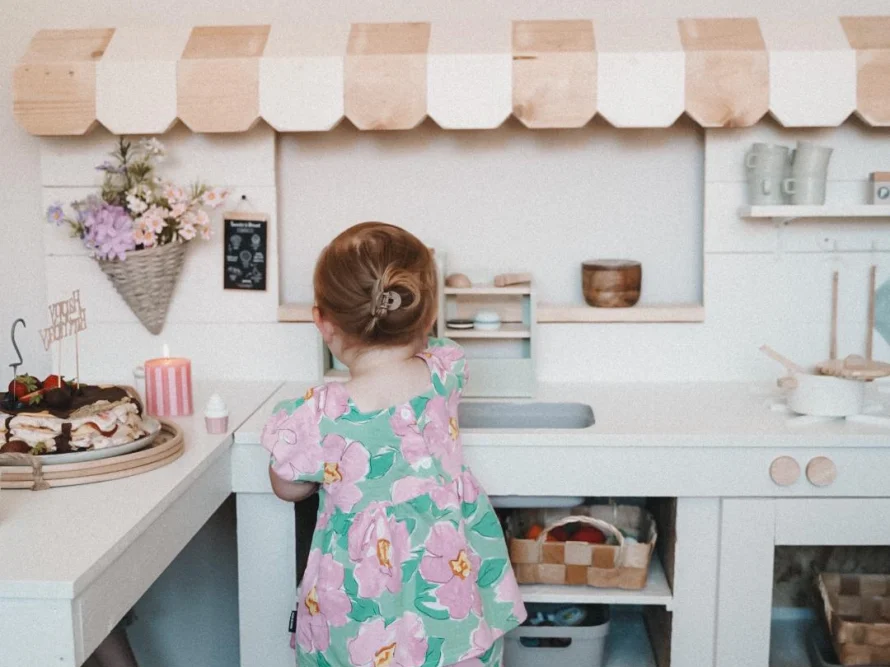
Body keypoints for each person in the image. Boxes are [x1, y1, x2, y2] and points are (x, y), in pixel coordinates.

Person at [261, 222, 526, 667]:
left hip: (364, 618)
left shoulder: (319, 416)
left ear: (322, 323)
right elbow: (432, 350)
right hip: (452, 606)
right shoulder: (446, 370)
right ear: (427, 316)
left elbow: (287, 486)